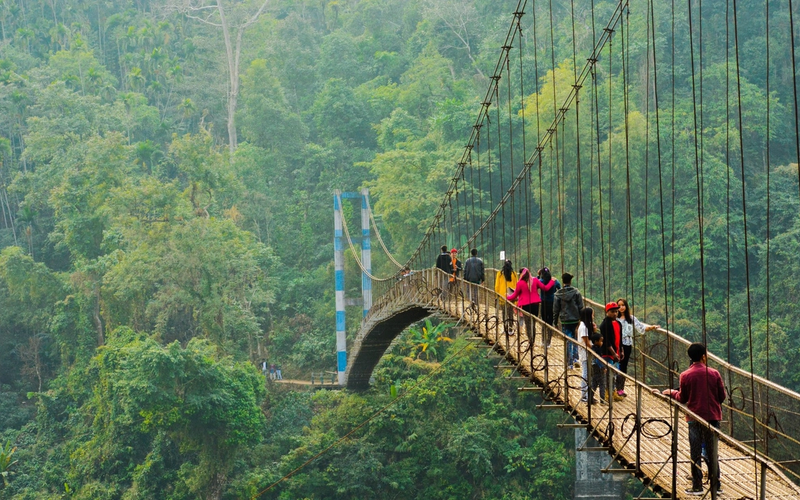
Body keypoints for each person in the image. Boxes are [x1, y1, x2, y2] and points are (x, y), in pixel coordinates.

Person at [658, 343, 726, 496]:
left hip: (694, 418)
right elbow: (722, 397)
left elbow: (682, 398)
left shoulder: (685, 375)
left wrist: (670, 392)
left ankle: (697, 486)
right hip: (713, 419)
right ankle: (716, 485)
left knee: (695, 452)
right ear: (703, 356)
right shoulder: (715, 373)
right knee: (712, 452)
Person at [615, 298, 660, 397]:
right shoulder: (615, 319)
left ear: (626, 306)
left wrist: (652, 327)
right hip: (616, 344)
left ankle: (620, 389)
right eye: (619, 305)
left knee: (623, 366)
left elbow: (641, 328)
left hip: (627, 344)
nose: (621, 307)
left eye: (623, 305)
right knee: (615, 365)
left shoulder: (631, 318)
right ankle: (614, 388)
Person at [507, 268, 555, 342]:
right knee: (533, 323)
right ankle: (533, 339)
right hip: (535, 305)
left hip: (525, 306)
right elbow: (545, 288)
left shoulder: (520, 283)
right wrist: (552, 281)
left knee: (528, 323)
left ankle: (530, 340)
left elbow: (514, 296)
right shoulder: (535, 280)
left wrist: (507, 296)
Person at [552, 272, 584, 360]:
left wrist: (555, 322)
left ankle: (569, 362)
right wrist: (582, 319)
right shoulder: (576, 292)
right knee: (575, 339)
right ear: (570, 281)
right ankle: (576, 358)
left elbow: (556, 310)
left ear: (563, 281)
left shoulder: (558, 294)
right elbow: (581, 307)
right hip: (575, 320)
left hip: (564, 320)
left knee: (567, 340)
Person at [599, 302, 623, 401]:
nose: (615, 314)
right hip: (607, 353)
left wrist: (621, 350)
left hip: (616, 353)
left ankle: (613, 392)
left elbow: (620, 338)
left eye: (616, 311)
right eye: (612, 312)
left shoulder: (618, 323)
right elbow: (606, 341)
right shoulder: (604, 325)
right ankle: (607, 394)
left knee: (614, 374)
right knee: (609, 375)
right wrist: (614, 353)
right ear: (607, 312)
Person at [577, 307, 597, 402]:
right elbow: (587, 343)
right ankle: (584, 395)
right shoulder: (583, 327)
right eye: (592, 314)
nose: (593, 316)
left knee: (588, 373)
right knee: (585, 373)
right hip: (585, 353)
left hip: (586, 353)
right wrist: (596, 350)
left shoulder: (584, 326)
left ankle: (588, 395)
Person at [494, 260, 518, 325]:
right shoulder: (514, 274)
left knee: (504, 312)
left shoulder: (500, 274)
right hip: (511, 297)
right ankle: (510, 327)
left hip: (502, 296)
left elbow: (497, 286)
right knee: (510, 313)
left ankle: (505, 327)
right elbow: (517, 286)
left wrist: (497, 296)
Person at [589, 333, 607, 405]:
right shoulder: (598, 350)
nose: (602, 342)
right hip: (598, 367)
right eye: (601, 341)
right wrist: (603, 367)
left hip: (593, 367)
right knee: (602, 384)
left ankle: (590, 399)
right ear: (596, 341)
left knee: (594, 383)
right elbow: (598, 359)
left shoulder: (592, 348)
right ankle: (602, 400)